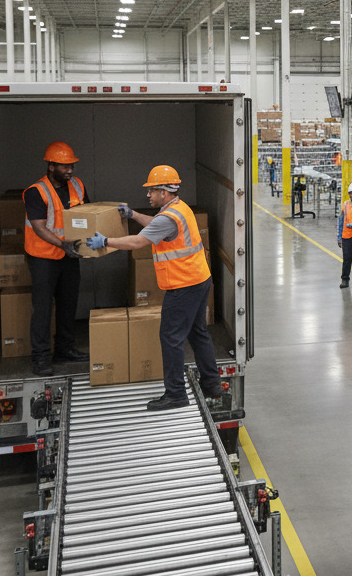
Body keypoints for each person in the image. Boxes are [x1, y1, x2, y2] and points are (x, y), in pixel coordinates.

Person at [86, 166, 223, 411]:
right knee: (198, 332)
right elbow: (155, 225)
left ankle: (176, 394)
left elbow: (139, 240)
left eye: (152, 190)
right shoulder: (178, 209)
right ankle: (212, 384)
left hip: (184, 286)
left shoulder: (169, 217)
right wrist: (133, 215)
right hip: (199, 279)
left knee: (170, 338)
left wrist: (105, 241)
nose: (148, 195)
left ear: (164, 191)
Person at [23, 141, 90, 376]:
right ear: (51, 166)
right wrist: (64, 244)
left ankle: (64, 349)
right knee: (42, 309)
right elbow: (40, 228)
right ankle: (40, 358)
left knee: (68, 303)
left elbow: (88, 214)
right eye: (64, 166)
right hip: (43, 258)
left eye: (71, 166)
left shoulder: (77, 185)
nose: (70, 170)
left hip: (69, 256)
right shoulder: (36, 191)